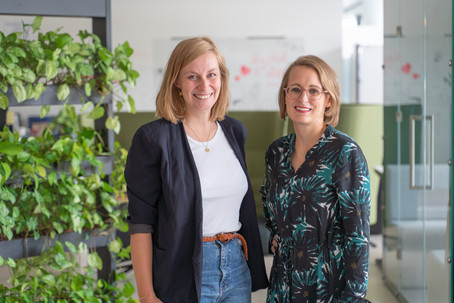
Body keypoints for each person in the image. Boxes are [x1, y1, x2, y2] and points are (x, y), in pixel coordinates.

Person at [124, 36, 269, 303]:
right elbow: (141, 225)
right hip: (183, 270)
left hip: (236, 265)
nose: (204, 85)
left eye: (211, 75)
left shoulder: (234, 131)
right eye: (193, 76)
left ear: (222, 78)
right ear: (176, 81)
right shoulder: (153, 139)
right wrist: (146, 295)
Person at [260, 55, 371, 302]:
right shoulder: (276, 152)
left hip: (329, 288)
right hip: (283, 286)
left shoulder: (345, 152)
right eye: (295, 90)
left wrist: (354, 296)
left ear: (328, 100)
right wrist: (277, 234)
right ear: (284, 95)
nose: (303, 98)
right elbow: (268, 202)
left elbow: (358, 237)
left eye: (313, 91)